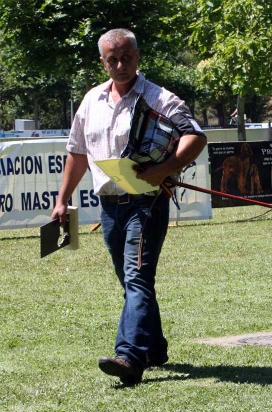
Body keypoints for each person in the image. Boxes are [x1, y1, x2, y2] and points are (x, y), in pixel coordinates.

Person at [51, 28, 207, 384]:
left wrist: (164, 170)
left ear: (138, 56)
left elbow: (196, 136)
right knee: (130, 280)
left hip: (146, 202)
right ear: (103, 61)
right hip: (108, 206)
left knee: (137, 278)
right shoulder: (91, 100)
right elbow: (77, 152)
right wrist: (62, 200)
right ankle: (155, 346)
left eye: (127, 58)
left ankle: (130, 357)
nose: (121, 65)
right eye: (113, 59)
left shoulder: (159, 98)